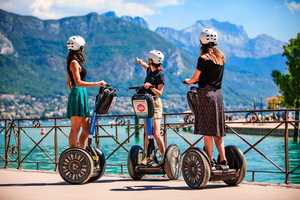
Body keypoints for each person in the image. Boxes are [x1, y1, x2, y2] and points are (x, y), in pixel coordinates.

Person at [184, 29, 228, 166]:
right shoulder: (221, 58)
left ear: (202, 42)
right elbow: (211, 77)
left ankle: (209, 160)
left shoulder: (203, 59)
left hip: (206, 95)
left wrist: (189, 81)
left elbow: (195, 77)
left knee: (207, 131)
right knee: (217, 131)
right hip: (218, 96)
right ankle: (223, 159)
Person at [66, 35, 107, 148]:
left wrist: (75, 92)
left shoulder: (74, 62)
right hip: (79, 92)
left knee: (86, 129)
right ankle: (73, 154)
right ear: (81, 48)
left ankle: (82, 152)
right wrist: (97, 83)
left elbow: (68, 82)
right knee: (75, 128)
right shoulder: (73, 62)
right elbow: (77, 82)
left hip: (80, 94)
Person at [136, 50, 166, 164]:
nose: (147, 61)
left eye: (148, 59)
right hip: (145, 103)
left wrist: (151, 87)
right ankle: (146, 157)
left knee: (156, 133)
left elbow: (160, 93)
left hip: (155, 103)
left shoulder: (160, 75)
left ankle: (164, 157)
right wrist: (139, 62)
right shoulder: (149, 70)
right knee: (147, 132)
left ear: (152, 60)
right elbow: (145, 66)